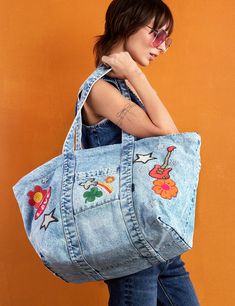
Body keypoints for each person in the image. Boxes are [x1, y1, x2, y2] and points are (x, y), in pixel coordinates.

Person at [76, 0, 200, 305]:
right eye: (157, 34)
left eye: (166, 40)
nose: (162, 47)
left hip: (158, 237)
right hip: (130, 244)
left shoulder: (126, 90)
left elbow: (173, 141)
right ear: (127, 23)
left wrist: (132, 75)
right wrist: (135, 73)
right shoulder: (99, 90)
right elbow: (170, 136)